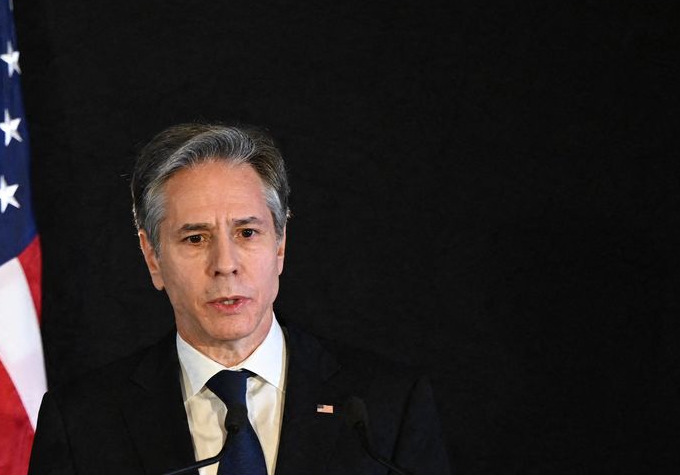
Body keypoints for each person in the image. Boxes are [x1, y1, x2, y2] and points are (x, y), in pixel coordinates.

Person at [27, 122, 451, 474]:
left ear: (280, 245)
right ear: (153, 257)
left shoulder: (386, 407)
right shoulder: (83, 421)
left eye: (247, 233)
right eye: (195, 238)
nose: (224, 263)